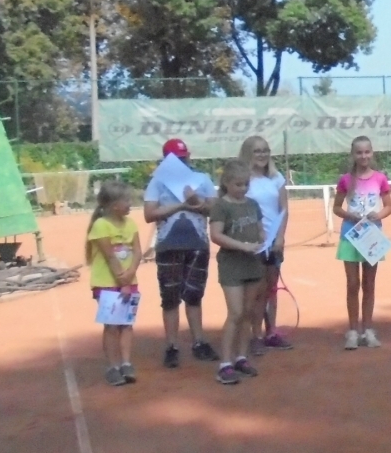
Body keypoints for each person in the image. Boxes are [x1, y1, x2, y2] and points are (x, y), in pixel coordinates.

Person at [142, 139, 217, 369]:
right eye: (178, 158)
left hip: (197, 244)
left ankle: (199, 341)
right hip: (168, 245)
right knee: (170, 297)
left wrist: (195, 201)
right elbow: (149, 213)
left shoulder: (202, 179)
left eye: (185, 157)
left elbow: (214, 208)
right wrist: (181, 205)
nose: (183, 161)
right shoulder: (157, 182)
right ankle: (172, 345)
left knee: (194, 295)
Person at [332, 135, 391, 350]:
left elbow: (388, 206)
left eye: (367, 151)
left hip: (372, 237)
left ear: (372, 153)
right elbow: (337, 207)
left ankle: (368, 330)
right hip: (350, 235)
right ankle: (352, 331)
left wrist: (379, 215)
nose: (363, 156)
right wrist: (352, 216)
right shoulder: (346, 180)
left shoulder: (380, 178)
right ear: (353, 155)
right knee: (352, 284)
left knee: (369, 284)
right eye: (359, 152)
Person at [208, 159, 266, 386]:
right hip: (232, 264)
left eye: (245, 185)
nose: (242, 189)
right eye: (238, 185)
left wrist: (262, 239)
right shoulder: (221, 206)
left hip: (253, 263)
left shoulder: (252, 204)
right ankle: (225, 363)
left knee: (248, 312)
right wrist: (242, 246)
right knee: (235, 312)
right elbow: (216, 235)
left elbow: (260, 230)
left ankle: (241, 357)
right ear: (227, 183)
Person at [85, 180, 142, 387]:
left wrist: (131, 274)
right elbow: (110, 257)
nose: (130, 204)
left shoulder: (131, 224)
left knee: (126, 324)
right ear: (112, 205)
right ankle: (113, 366)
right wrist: (123, 281)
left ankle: (126, 363)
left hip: (129, 280)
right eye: (126, 200)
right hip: (107, 283)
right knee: (111, 325)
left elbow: (137, 251)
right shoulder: (101, 225)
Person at [240, 135, 291, 353]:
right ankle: (254, 335)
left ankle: (271, 332)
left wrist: (279, 238)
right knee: (255, 291)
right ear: (248, 153)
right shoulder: (241, 180)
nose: (262, 155)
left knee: (271, 289)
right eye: (257, 151)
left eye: (265, 150)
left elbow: (284, 209)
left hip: (273, 244)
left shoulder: (276, 178)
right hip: (251, 244)